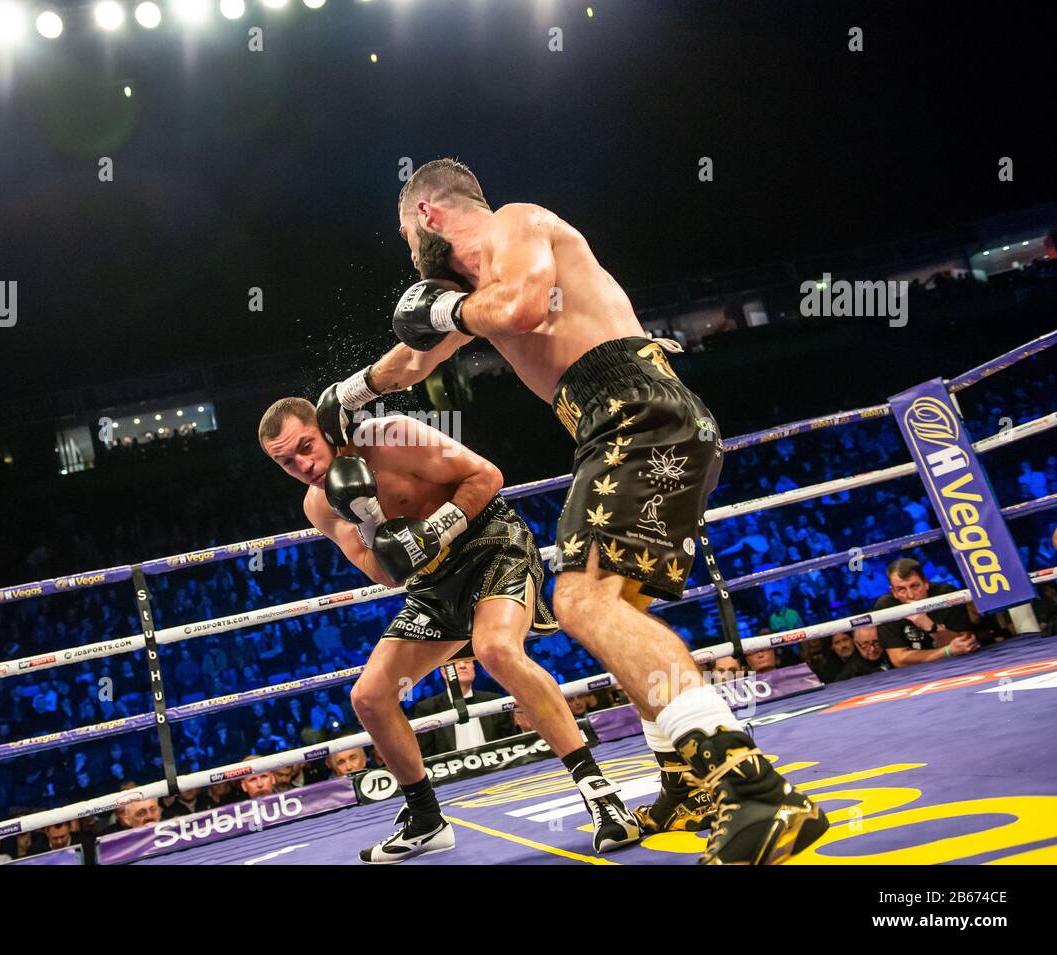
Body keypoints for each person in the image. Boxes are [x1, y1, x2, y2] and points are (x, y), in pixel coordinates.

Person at [314, 158, 826, 863]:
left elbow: (520, 307)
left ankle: (753, 789)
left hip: (635, 410)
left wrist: (442, 310)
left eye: (406, 237)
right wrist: (352, 392)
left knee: (580, 600)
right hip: (624, 423)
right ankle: (684, 780)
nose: (410, 255)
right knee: (617, 607)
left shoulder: (518, 224)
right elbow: (415, 360)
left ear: (428, 216)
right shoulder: (476, 295)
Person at [260, 397, 639, 863]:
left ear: (323, 429)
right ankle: (425, 819)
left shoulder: (391, 435)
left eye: (305, 446)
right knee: (370, 698)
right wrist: (369, 517)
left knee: (495, 649)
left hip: (492, 545)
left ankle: (601, 795)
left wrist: (435, 529)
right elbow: (383, 572)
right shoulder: (320, 504)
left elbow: (487, 476)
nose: (303, 464)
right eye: (286, 462)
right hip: (433, 587)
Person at [874, 558, 982, 667]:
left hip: (959, 665)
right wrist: (946, 651)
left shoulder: (946, 595)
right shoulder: (886, 607)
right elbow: (899, 660)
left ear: (925, 583)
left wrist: (931, 627)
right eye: (901, 589)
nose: (910, 595)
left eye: (914, 586)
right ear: (894, 592)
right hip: (914, 674)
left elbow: (966, 644)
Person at [412, 660, 518, 756]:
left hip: (496, 767)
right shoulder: (428, 708)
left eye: (467, 662)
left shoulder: (493, 700)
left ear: (473, 668)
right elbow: (425, 753)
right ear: (444, 672)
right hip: (451, 772)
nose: (462, 666)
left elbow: (510, 741)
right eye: (456, 662)